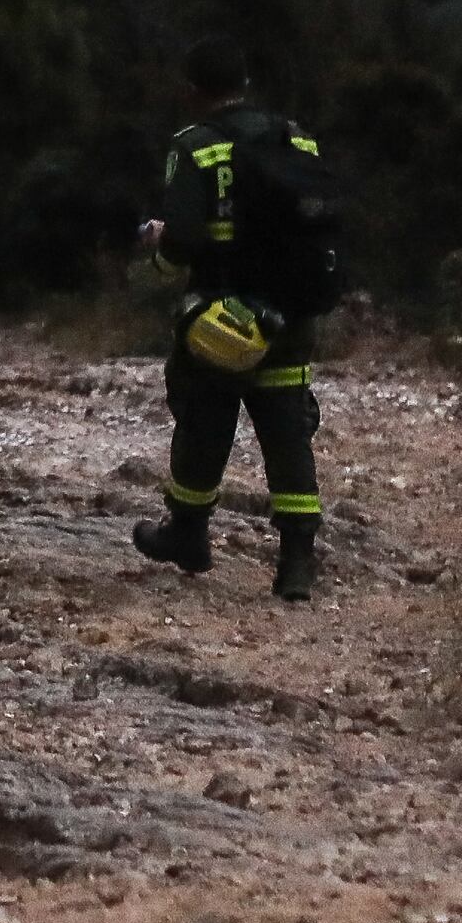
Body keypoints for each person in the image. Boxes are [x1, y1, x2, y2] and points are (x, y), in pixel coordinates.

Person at [130, 38, 329, 602]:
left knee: (204, 421)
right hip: (290, 313)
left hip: (220, 316)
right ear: (244, 82)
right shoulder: (298, 137)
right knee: (287, 433)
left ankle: (188, 536)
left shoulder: (193, 146)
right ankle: (296, 562)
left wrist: (158, 247)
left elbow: (187, 239)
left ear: (192, 89)